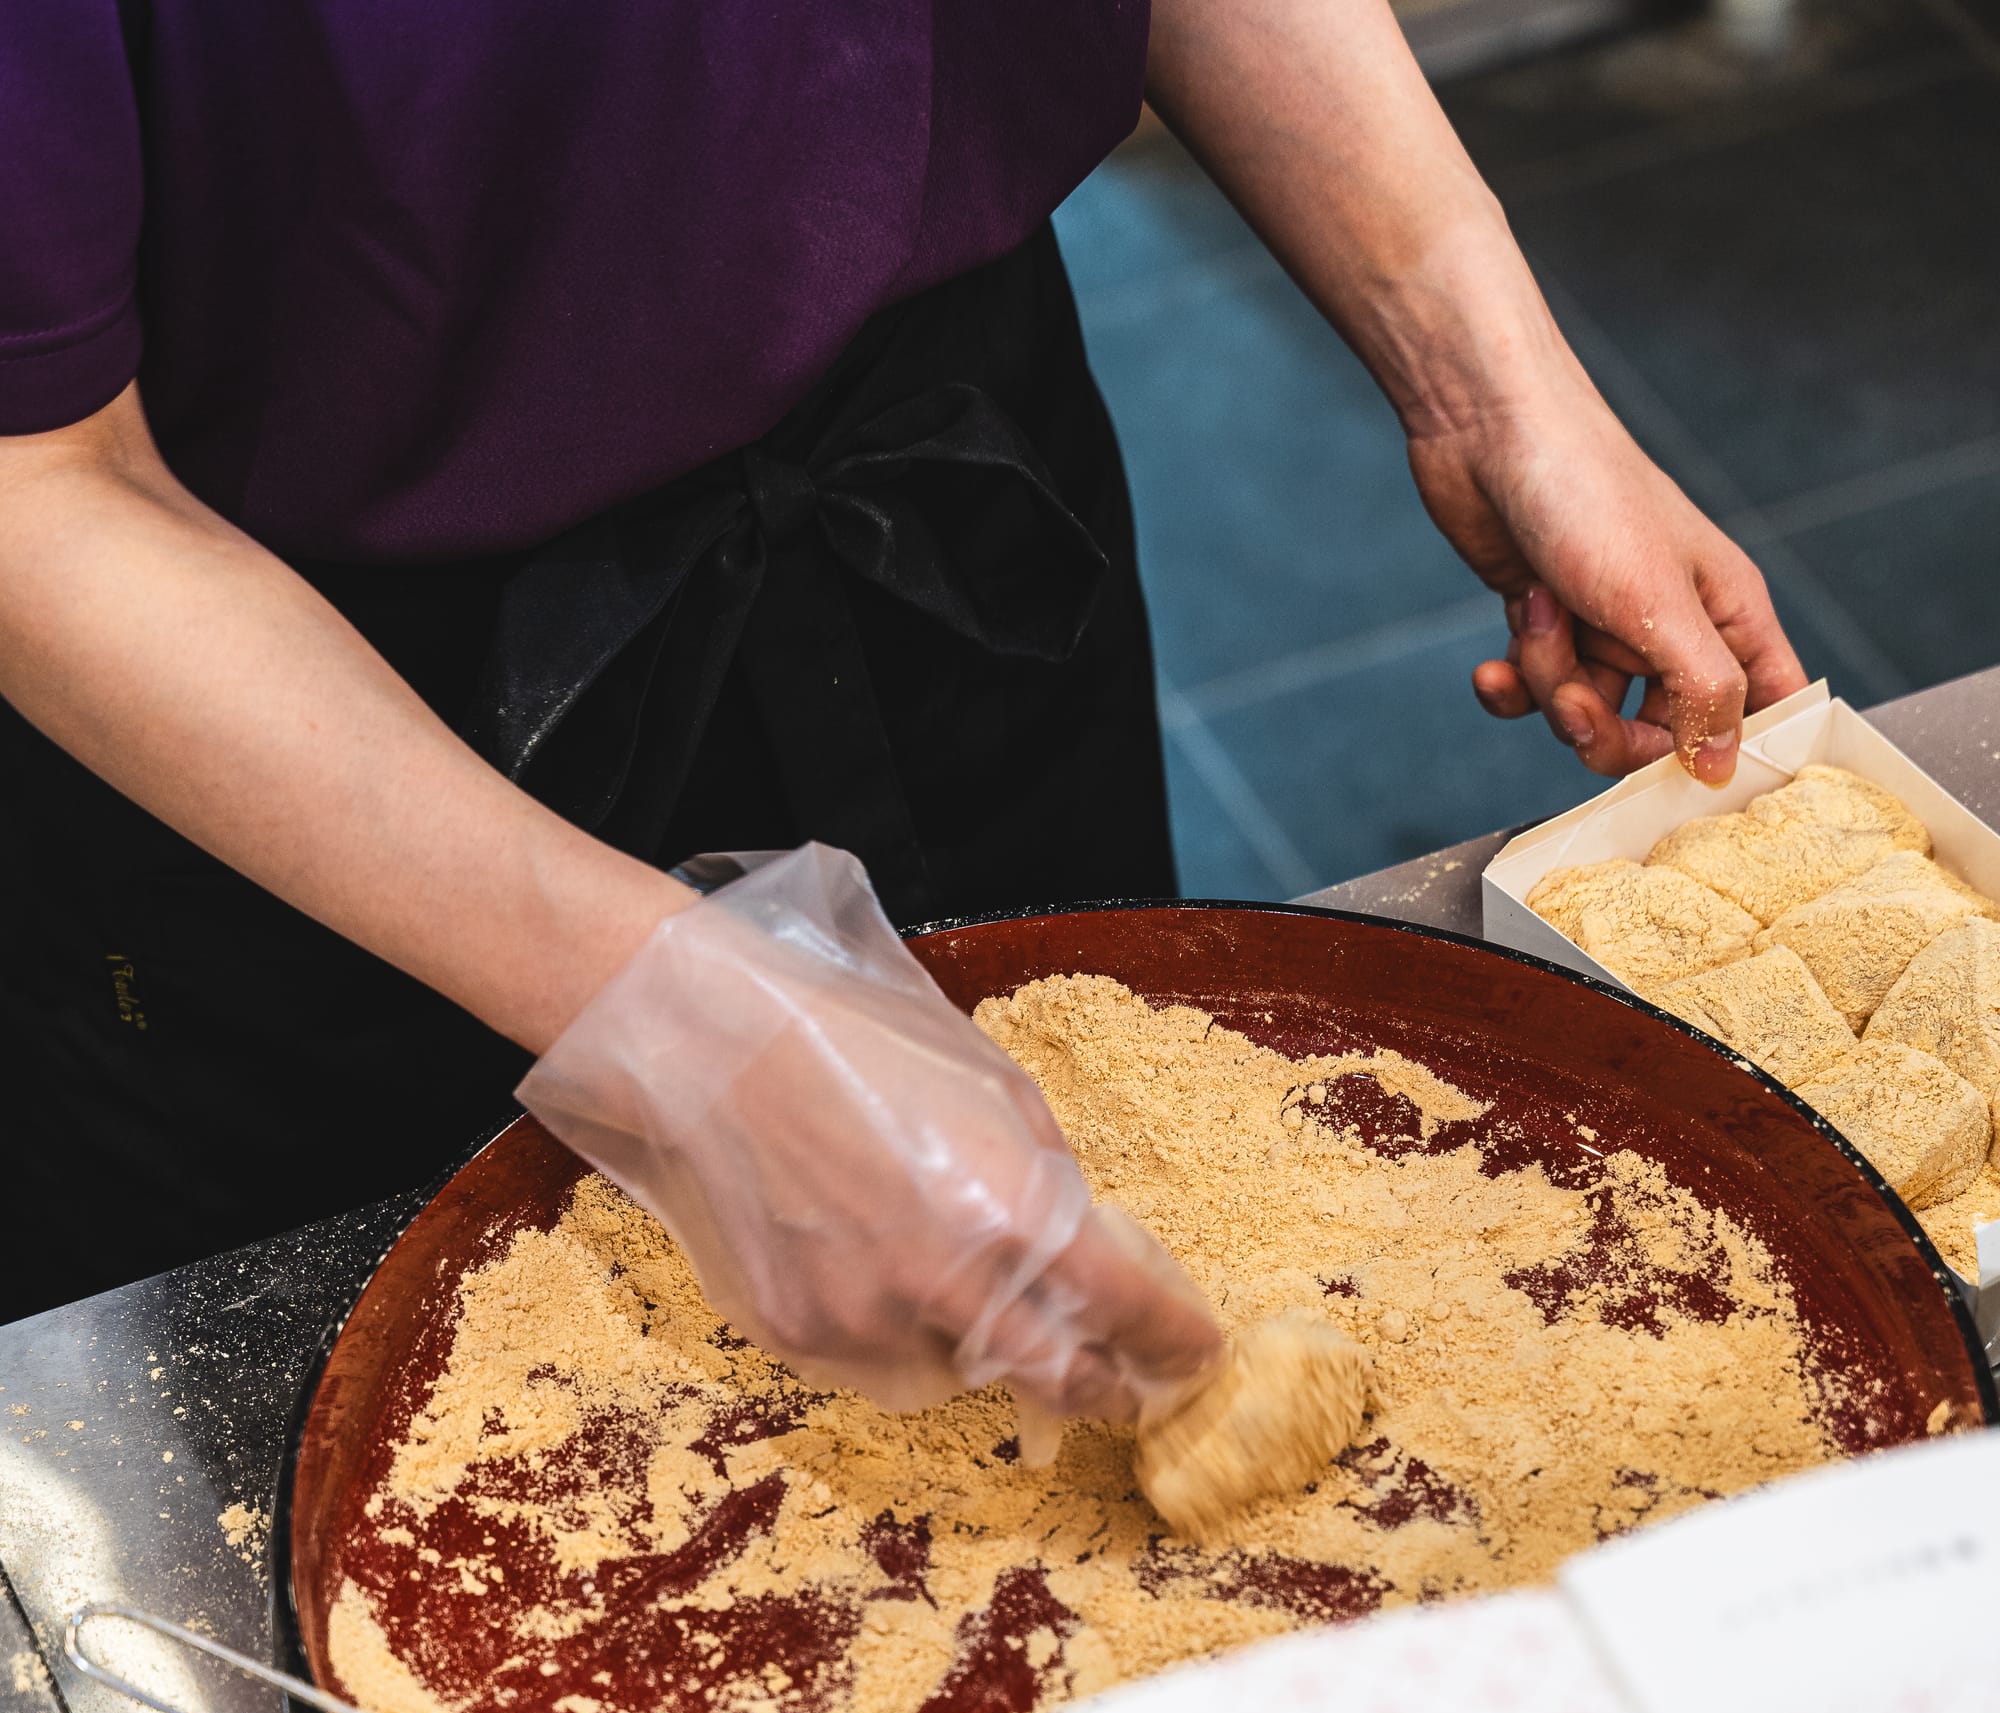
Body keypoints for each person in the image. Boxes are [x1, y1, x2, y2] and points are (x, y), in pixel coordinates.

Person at [0, 0, 1804, 1420]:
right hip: (291, 707)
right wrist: (681, 1023)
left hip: (930, 487)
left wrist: (1484, 377)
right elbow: (39, 490)